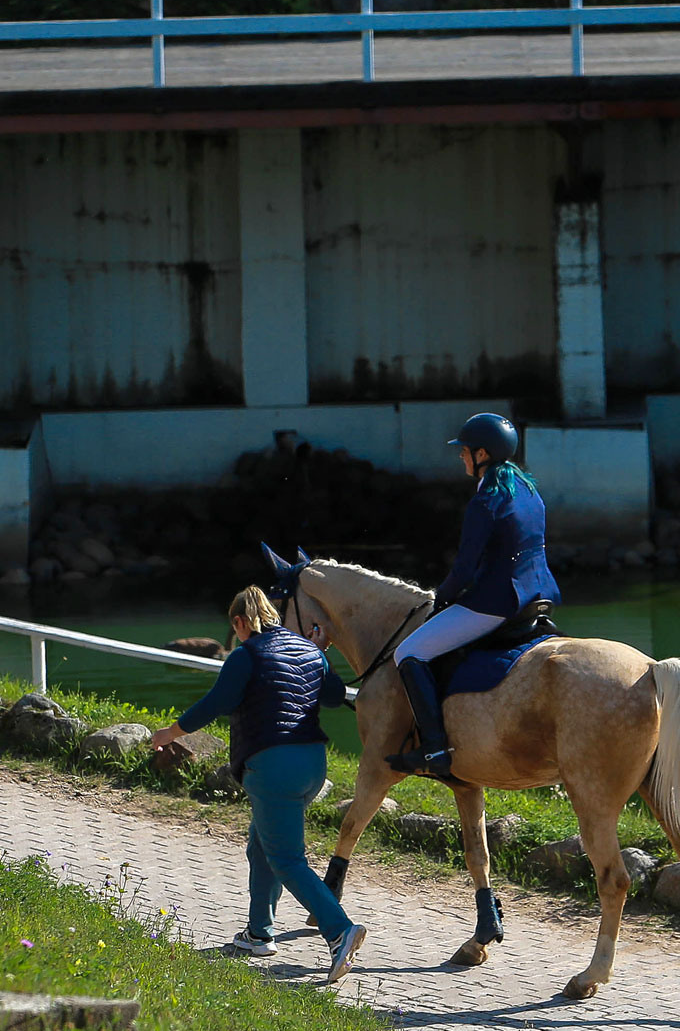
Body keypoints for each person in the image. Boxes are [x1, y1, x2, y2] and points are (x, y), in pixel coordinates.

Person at [150, 587, 368, 983]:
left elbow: (215, 703)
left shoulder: (245, 655)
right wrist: (322, 652)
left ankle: (339, 931)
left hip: (273, 764)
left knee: (286, 858)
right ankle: (258, 934)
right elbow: (334, 697)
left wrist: (170, 732)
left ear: (239, 622)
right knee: (261, 844)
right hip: (312, 764)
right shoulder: (307, 650)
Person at [387, 411, 560, 779]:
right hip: (537, 595)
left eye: (464, 451)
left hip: (498, 603)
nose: (460, 457)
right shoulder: (527, 488)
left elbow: (465, 569)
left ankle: (434, 749)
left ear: (482, 455)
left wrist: (442, 598)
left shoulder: (485, 502)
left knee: (408, 652)